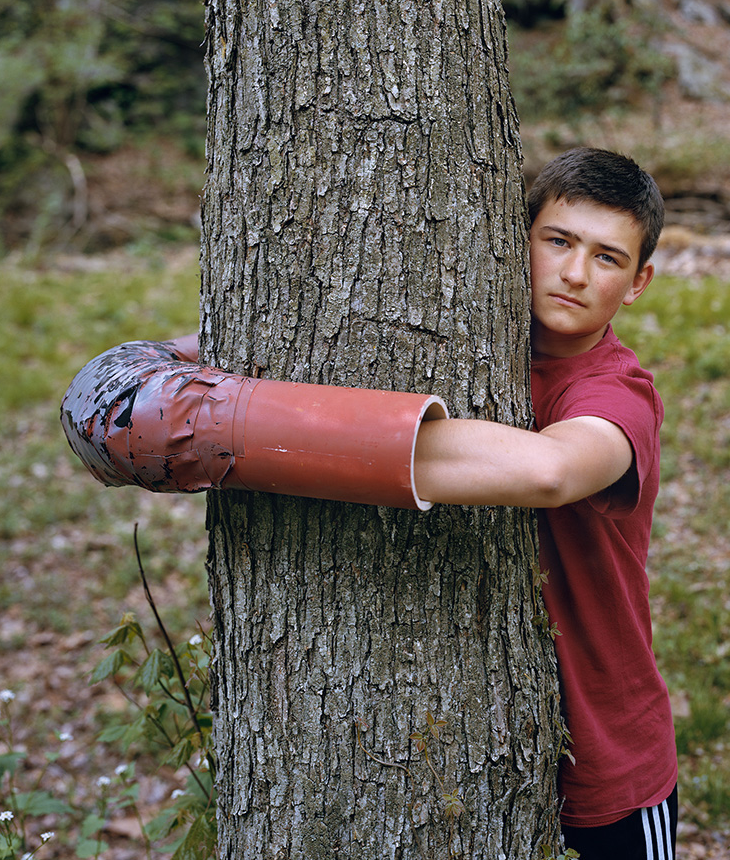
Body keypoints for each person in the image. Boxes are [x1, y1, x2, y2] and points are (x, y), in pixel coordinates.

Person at [61, 147, 677, 859]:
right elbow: (127, 393)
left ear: (638, 283)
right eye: (559, 241)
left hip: (608, 760)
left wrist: (258, 429)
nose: (574, 273)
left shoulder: (615, 392)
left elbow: (550, 470)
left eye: (607, 258)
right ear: (516, 239)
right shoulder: (449, 331)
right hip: (477, 751)